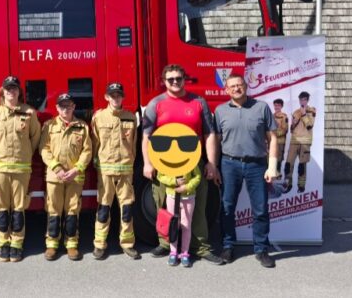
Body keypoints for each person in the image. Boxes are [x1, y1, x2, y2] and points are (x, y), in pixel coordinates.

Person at [141, 64, 224, 265]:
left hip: (193, 164)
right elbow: (146, 136)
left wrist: (212, 163)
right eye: (171, 79)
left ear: (184, 79)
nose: (175, 82)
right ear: (163, 81)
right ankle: (165, 243)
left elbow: (209, 134)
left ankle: (201, 247)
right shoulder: (156, 104)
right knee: (164, 206)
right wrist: (147, 164)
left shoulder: (198, 102)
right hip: (164, 164)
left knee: (196, 209)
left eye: (179, 78)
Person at [214, 74, 279, 268]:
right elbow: (216, 141)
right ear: (226, 90)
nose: (236, 89)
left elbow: (273, 138)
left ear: (246, 86)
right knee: (227, 208)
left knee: (260, 209)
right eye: (232, 86)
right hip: (229, 164)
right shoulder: (220, 111)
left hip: (257, 165)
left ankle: (261, 249)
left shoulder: (261, 107)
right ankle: (228, 246)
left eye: (239, 85)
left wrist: (272, 166)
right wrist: (215, 167)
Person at [0, 76, 41, 262]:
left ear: (19, 91)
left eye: (14, 88)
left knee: (19, 208)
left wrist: (24, 154)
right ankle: (3, 245)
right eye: (8, 89)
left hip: (21, 168)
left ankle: (16, 245)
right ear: (3, 91)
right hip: (0, 168)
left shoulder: (29, 113)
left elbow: (35, 138)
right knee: (1, 208)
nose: (11, 91)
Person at [40, 93, 92, 261]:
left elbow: (87, 151)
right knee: (53, 211)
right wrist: (56, 168)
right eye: (62, 106)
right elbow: (44, 149)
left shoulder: (82, 127)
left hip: (75, 176)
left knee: (72, 211)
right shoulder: (49, 126)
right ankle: (52, 245)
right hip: (55, 176)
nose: (65, 109)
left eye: (69, 105)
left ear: (74, 107)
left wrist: (77, 169)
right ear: (57, 108)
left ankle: (71, 245)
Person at [91, 82, 140, 260]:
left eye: (119, 95)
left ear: (123, 97)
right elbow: (95, 143)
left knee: (126, 209)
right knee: (103, 209)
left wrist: (131, 162)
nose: (116, 98)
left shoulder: (131, 117)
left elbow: (133, 144)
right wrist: (97, 164)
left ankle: (127, 244)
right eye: (112, 95)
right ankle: (99, 244)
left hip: (126, 170)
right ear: (106, 97)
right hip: (105, 171)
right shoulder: (98, 117)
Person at [156, 156, 201, 268]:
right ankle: (173, 252)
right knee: (173, 225)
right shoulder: (166, 160)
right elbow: (160, 176)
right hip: (172, 196)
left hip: (188, 198)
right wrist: (174, 181)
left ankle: (185, 253)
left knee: (186, 226)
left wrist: (186, 187)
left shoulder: (191, 160)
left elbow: (197, 176)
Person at [284, 91, 315, 193]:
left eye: (304, 99)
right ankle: (288, 184)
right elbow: (291, 129)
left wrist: (304, 114)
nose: (302, 101)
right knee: (288, 164)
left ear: (307, 100)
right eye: (301, 99)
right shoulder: (296, 112)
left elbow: (310, 125)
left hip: (305, 142)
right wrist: (294, 123)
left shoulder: (312, 110)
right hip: (294, 140)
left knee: (302, 166)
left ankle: (301, 186)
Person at [272, 99, 288, 175]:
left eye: (278, 105)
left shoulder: (284, 117)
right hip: (271, 142)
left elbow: (285, 130)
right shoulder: (271, 116)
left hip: (280, 142)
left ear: (281, 106)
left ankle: (278, 175)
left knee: (278, 159)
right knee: (272, 159)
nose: (276, 107)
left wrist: (275, 134)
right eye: (275, 105)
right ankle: (272, 175)